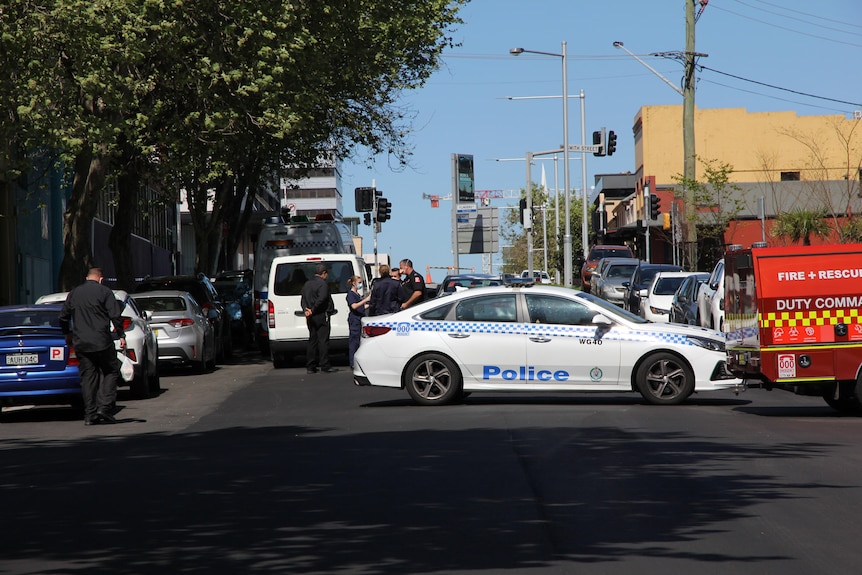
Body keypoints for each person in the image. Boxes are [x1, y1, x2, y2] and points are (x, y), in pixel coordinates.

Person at [59, 267, 126, 425]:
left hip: (81, 342)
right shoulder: (105, 292)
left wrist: (67, 334)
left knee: (88, 378)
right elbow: (115, 315)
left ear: (87, 277)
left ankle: (90, 414)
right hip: (102, 341)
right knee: (111, 370)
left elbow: (63, 316)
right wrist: (121, 334)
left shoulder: (74, 293)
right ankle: (104, 408)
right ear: (100, 279)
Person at [300, 263, 337, 373]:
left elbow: (303, 299)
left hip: (310, 316)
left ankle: (310, 366)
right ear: (324, 273)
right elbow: (322, 299)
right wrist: (313, 309)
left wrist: (306, 309)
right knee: (323, 341)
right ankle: (324, 364)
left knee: (312, 340)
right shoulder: (323, 285)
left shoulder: (307, 284)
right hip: (321, 314)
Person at [345, 275, 370, 368]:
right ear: (353, 283)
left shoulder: (357, 295)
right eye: (359, 283)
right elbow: (354, 306)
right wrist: (365, 300)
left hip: (359, 318)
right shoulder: (351, 294)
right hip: (354, 320)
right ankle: (352, 362)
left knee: (359, 341)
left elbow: (361, 308)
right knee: (354, 342)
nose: (360, 285)